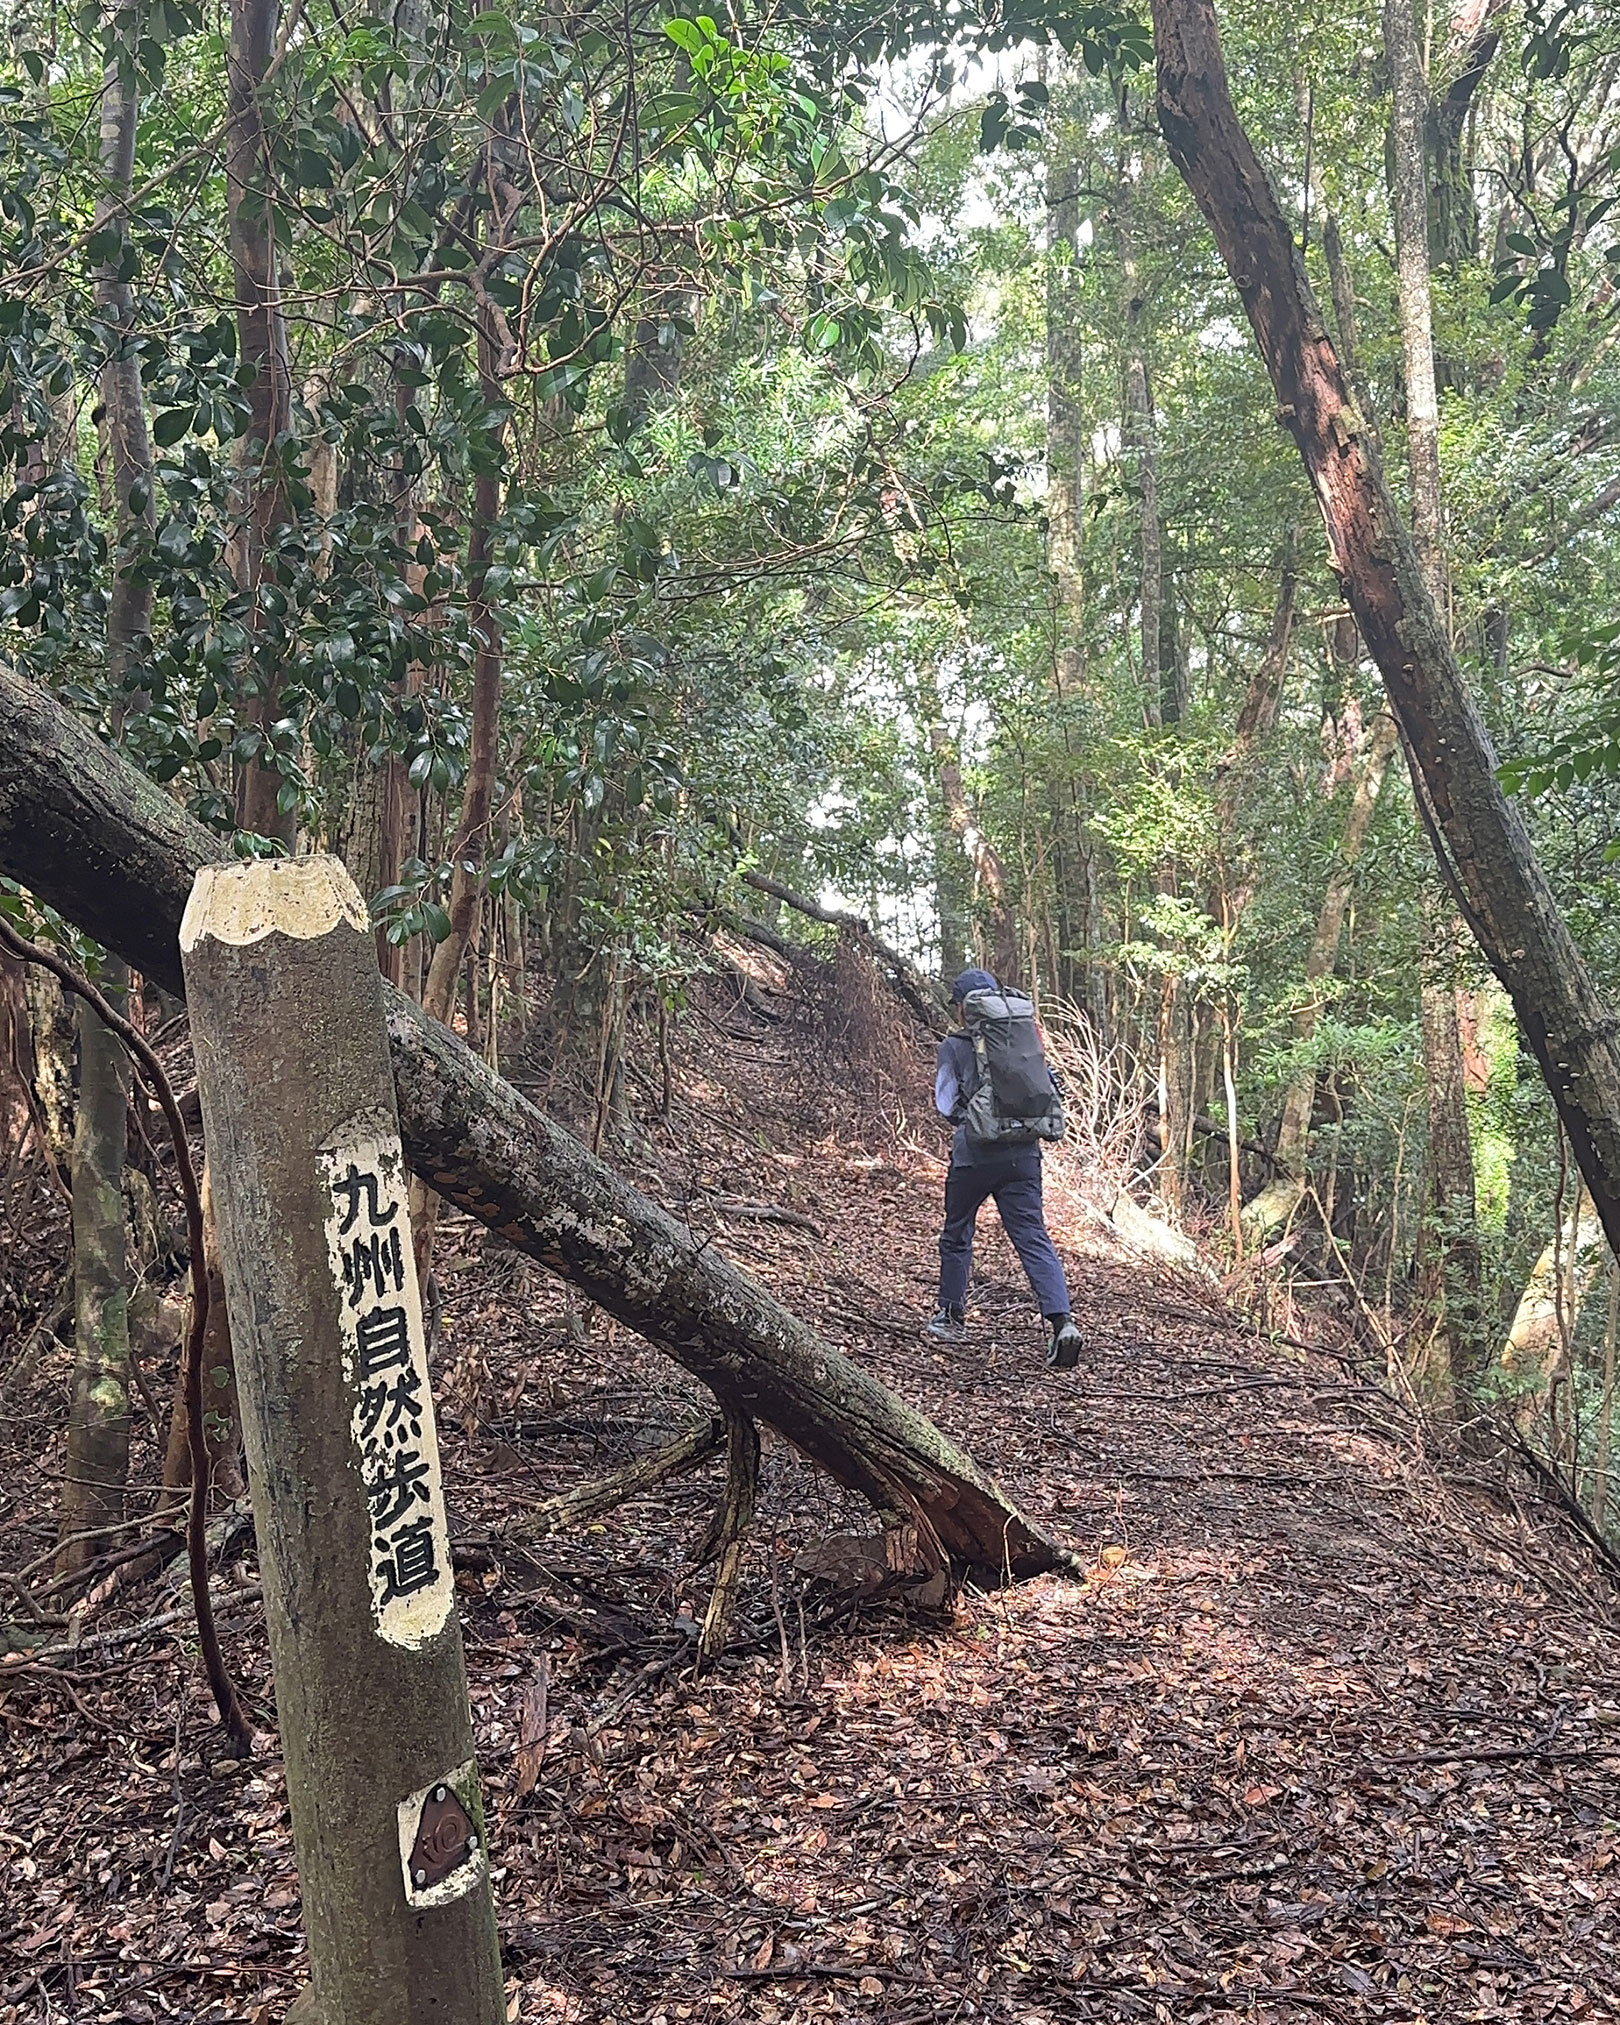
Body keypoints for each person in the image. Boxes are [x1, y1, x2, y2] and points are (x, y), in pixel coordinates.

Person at [928, 967, 1084, 1369]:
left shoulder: (954, 1045)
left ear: (963, 1008)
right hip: (1024, 1154)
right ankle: (1062, 1321)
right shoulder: (1021, 1036)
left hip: (974, 1154)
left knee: (957, 1232)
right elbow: (1047, 1086)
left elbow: (945, 1104)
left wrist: (972, 1119)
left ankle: (950, 1316)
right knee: (1032, 1235)